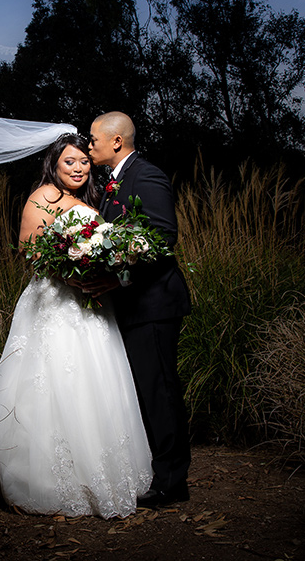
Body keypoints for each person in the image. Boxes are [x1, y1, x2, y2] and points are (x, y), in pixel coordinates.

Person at [0, 132, 153, 518]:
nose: (77, 168)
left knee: (96, 380)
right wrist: (68, 274)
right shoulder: (41, 197)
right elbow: (28, 251)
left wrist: (105, 268)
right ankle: (45, 480)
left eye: (83, 162)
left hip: (91, 303)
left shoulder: (89, 201)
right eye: (69, 162)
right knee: (52, 380)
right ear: (54, 165)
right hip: (53, 301)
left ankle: (101, 472)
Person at [84, 111, 192, 508]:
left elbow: (163, 237)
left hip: (154, 303)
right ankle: (157, 471)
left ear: (116, 141)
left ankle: (172, 482)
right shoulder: (113, 183)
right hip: (134, 305)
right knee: (146, 391)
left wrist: (117, 279)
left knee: (160, 391)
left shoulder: (144, 174)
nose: (89, 145)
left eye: (94, 139)